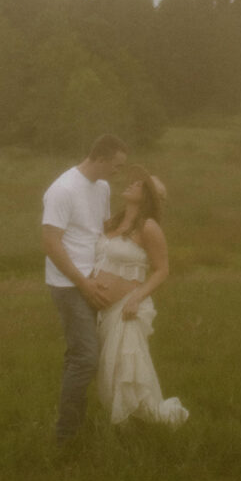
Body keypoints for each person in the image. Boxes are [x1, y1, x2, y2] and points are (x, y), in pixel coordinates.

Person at [42, 133, 128, 446]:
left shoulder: (102, 187)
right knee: (86, 358)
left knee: (81, 354)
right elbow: (51, 243)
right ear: (101, 158)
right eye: (116, 166)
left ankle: (77, 422)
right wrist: (84, 284)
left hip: (94, 278)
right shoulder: (62, 189)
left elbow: (101, 231)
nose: (119, 172)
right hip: (69, 284)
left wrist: (142, 210)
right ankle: (65, 434)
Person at [91, 165, 188, 428]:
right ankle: (124, 422)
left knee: (126, 368)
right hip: (101, 308)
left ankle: (138, 423)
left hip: (127, 307)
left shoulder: (149, 227)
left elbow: (162, 269)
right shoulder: (113, 221)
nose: (132, 184)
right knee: (108, 367)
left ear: (148, 197)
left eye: (140, 184)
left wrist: (136, 298)